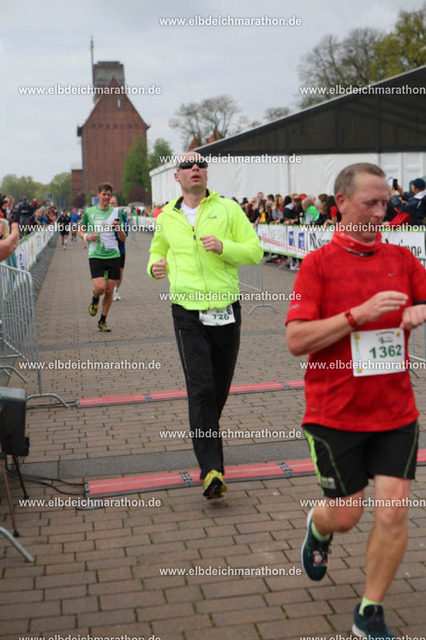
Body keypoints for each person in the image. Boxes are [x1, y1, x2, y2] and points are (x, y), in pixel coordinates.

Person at [286, 162, 426, 639]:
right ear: (341, 203)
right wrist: (356, 316)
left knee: (393, 509)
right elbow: (296, 340)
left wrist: (418, 310)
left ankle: (370, 611)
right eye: (371, 203)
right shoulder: (317, 265)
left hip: (395, 411)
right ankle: (319, 526)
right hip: (335, 413)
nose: (381, 212)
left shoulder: (401, 259)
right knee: (347, 514)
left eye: (385, 202)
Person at [147, 152, 263, 499]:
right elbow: (156, 251)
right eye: (187, 165)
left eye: (200, 164)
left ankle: (205, 431)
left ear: (206, 174)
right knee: (200, 388)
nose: (194, 168)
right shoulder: (167, 216)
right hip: (186, 312)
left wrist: (224, 247)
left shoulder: (228, 210)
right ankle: (212, 470)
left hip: (226, 311)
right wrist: (154, 267)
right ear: (177, 176)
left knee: (217, 390)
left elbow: (255, 251)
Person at [78, 182, 126, 332]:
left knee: (110, 290)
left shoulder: (117, 212)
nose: (106, 197)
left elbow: (123, 238)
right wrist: (86, 236)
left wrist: (119, 230)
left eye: (109, 195)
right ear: (98, 195)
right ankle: (95, 298)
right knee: (100, 288)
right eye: (104, 194)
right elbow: (80, 230)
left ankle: (103, 320)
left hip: (113, 254)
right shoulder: (89, 212)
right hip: (96, 254)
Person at [109, 196, 128, 301]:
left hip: (120, 248)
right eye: (109, 203)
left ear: (116, 204)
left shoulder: (122, 215)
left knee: (120, 271)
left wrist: (119, 229)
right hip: (107, 249)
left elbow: (125, 234)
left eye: (113, 203)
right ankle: (110, 290)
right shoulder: (103, 216)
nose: (111, 205)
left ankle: (116, 290)